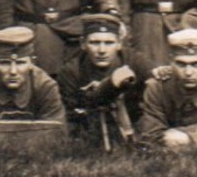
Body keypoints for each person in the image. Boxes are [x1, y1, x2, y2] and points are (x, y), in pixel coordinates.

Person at [0, 25, 65, 139]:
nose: (13, 71)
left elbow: (57, 135)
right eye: (4, 63)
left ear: (32, 62)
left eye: (20, 63)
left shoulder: (45, 86)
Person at [55, 14, 141, 150]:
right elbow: (70, 114)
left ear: (119, 44)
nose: (102, 50)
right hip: (88, 130)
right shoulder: (71, 71)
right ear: (83, 44)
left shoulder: (134, 61)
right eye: (94, 43)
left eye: (109, 43)